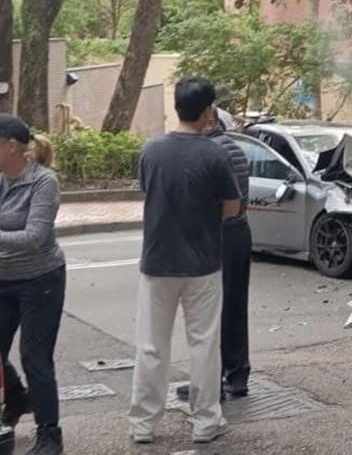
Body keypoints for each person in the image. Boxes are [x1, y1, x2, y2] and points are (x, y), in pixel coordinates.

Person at [128, 78, 241, 445]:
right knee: (204, 344)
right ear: (208, 111)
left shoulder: (151, 150)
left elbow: (149, 190)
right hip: (203, 263)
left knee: (150, 345)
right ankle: (206, 421)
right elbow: (231, 208)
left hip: (157, 260)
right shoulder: (215, 154)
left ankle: (143, 424)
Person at [176, 107, 252, 400]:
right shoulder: (235, 148)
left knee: (208, 311)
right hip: (239, 233)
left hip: (214, 235)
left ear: (207, 123)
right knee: (235, 306)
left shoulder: (207, 152)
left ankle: (211, 382)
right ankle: (238, 374)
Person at [0, 114, 65, 454]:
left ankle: (50, 435)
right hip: (2, 279)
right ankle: (17, 397)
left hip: (40, 280)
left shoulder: (44, 181)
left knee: (35, 358)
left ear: (11, 147)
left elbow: (34, 236)